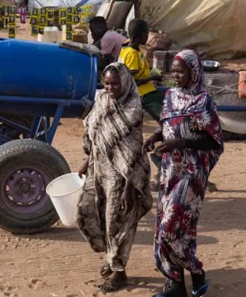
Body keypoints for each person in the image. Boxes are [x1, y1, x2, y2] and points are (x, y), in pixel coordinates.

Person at [144, 50, 223, 297]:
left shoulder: (204, 101)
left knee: (170, 228)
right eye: (174, 71)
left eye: (181, 71)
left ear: (194, 72)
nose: (175, 76)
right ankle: (177, 285)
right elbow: (167, 125)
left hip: (192, 173)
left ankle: (196, 271)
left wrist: (182, 144)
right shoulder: (169, 96)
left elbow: (215, 142)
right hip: (169, 171)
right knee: (179, 230)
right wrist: (156, 136)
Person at [77, 64, 153, 293]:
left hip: (121, 177)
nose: (110, 88)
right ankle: (111, 259)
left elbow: (133, 151)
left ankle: (120, 271)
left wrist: (130, 188)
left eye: (115, 83)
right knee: (89, 213)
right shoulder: (101, 99)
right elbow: (94, 130)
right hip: (98, 169)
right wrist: (86, 160)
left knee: (117, 222)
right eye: (107, 83)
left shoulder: (132, 109)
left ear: (126, 83)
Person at [119, 19, 162, 121]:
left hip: (146, 89)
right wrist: (153, 77)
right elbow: (131, 82)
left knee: (166, 96)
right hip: (140, 93)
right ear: (142, 35)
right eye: (147, 34)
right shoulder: (132, 54)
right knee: (163, 111)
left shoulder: (130, 47)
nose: (148, 37)